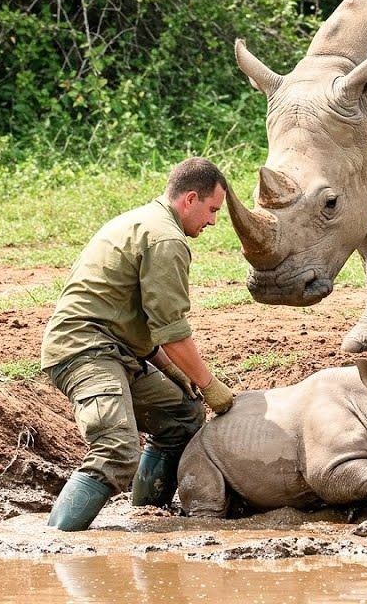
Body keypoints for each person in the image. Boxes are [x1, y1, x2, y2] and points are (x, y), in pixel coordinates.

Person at [40, 156, 236, 531]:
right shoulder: (165, 238)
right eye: (212, 210)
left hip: (116, 349)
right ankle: (56, 545)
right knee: (115, 450)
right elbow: (172, 330)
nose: (212, 221)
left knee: (182, 416)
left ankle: (147, 518)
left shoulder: (143, 219)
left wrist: (174, 373)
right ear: (189, 199)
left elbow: (136, 324)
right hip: (85, 350)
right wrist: (210, 387)